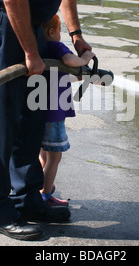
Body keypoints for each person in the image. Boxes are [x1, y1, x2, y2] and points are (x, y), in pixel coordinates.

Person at [0, 0, 92, 240]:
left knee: (32, 117)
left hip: (35, 25)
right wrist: (30, 52)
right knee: (3, 122)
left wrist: (75, 34)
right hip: (6, 21)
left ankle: (26, 199)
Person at [39, 14, 95, 207]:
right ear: (52, 31)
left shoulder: (35, 47)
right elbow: (70, 60)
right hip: (53, 113)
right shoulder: (55, 46)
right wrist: (86, 58)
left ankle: (42, 182)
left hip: (34, 110)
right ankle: (45, 194)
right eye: (60, 32)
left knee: (41, 150)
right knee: (55, 156)